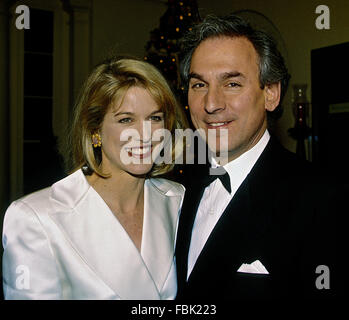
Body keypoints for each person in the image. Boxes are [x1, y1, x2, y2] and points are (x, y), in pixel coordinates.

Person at [175, 14, 338, 299]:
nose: (211, 104)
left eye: (232, 84)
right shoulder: (177, 191)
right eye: (199, 85)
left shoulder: (323, 199)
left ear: (271, 94)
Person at [2, 56, 187, 299]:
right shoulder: (35, 219)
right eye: (126, 120)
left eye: (154, 118)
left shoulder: (177, 200)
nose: (145, 134)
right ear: (95, 131)